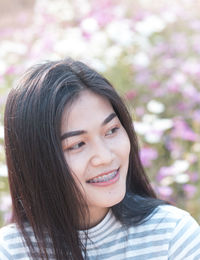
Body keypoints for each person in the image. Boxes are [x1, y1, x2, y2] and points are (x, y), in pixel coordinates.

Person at [0, 58, 200, 260]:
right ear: (38, 160)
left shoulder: (171, 236)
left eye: (112, 130)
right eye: (77, 144)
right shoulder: (11, 252)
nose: (105, 157)